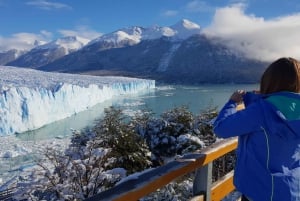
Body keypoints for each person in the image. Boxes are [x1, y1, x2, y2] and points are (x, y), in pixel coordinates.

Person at [213, 57, 300, 201]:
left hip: (261, 191)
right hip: (291, 190)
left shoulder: (262, 110)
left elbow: (221, 128)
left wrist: (232, 103)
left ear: (269, 81)